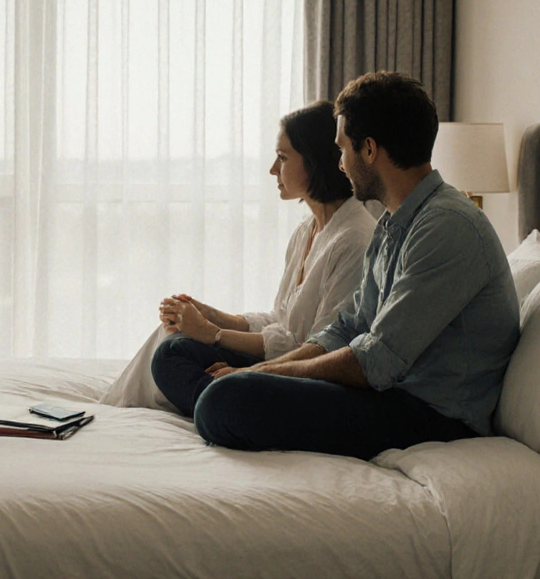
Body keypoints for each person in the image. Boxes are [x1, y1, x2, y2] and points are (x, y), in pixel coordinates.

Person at [184, 71, 520, 460]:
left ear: (371, 150)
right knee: (202, 376)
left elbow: (374, 362)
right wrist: (267, 369)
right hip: (390, 394)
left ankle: (215, 401)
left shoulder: (447, 228)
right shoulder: (395, 224)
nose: (340, 164)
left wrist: (258, 373)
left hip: (433, 417)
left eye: (343, 149)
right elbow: (349, 325)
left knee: (222, 401)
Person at [101, 100, 376, 413]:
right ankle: (218, 400)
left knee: (171, 356)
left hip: (305, 374)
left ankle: (222, 404)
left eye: (283, 158)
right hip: (279, 359)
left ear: (314, 161)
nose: (273, 169)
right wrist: (213, 316)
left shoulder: (354, 240)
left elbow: (317, 349)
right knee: (173, 345)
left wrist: (214, 335)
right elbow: (281, 321)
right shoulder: (307, 231)